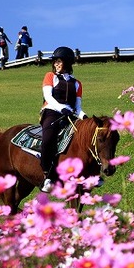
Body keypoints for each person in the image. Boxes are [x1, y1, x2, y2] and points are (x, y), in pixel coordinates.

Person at [40, 46, 87, 192]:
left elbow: (77, 107)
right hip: (51, 112)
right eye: (55, 62)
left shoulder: (77, 83)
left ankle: (90, 172)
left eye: (59, 62)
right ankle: (48, 176)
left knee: (85, 137)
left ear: (67, 63)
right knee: (49, 138)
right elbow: (48, 97)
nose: (56, 65)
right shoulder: (50, 76)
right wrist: (62, 108)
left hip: (69, 114)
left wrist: (84, 117)